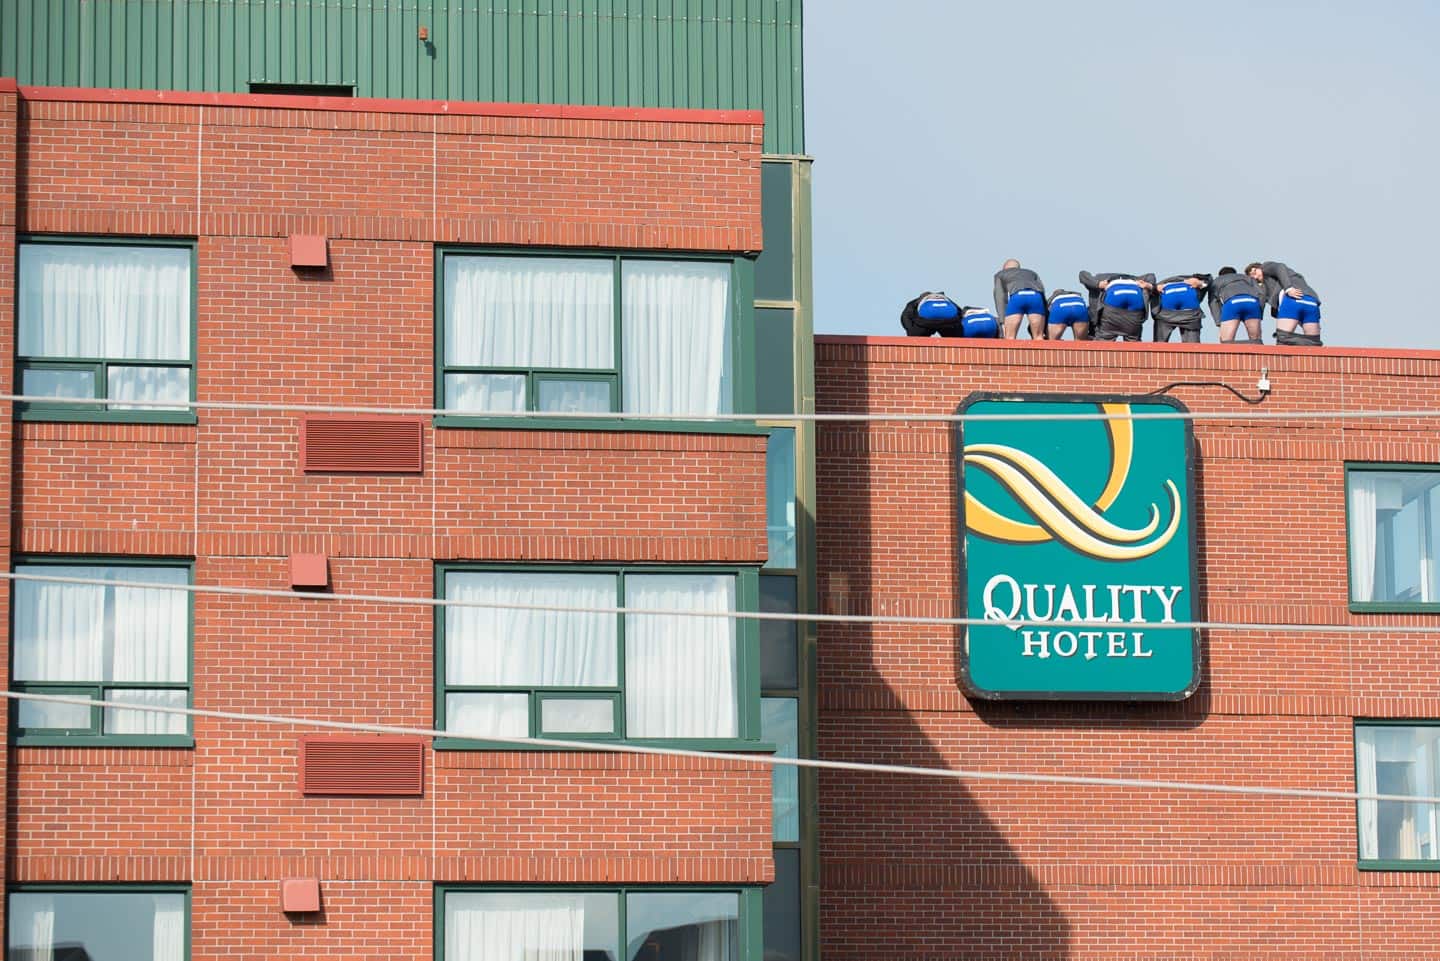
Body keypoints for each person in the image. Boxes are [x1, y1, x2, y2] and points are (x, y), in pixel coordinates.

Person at [1249, 261, 1321, 338]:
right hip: (1311, 301)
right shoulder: (1292, 277)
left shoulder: (1265, 266)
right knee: (1313, 342)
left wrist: (1288, 288)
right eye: (1254, 278)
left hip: (1292, 299)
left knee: (1283, 339)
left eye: (1254, 273)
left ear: (1259, 268)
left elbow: (1279, 267)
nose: (1256, 277)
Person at [1078, 271, 1155, 342]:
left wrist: (1098, 284)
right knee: (1133, 341)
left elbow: (1082, 274)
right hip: (1135, 300)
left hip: (1113, 301)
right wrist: (1149, 285)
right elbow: (1151, 276)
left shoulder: (1100, 278)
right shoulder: (1136, 279)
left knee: (1104, 340)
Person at [1207, 267, 1265, 343]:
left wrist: (1219, 322)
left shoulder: (1217, 280)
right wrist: (1259, 312)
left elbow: (1213, 302)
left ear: (1220, 275)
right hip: (1252, 302)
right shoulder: (1247, 278)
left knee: (1226, 341)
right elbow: (1261, 294)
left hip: (1233, 303)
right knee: (1256, 340)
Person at [993, 259, 1047, 339]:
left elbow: (1000, 297)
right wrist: (1045, 313)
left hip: (1018, 296)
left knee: (1010, 337)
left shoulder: (1000, 274)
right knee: (1038, 337)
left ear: (1004, 268)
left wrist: (1002, 321)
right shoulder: (1032, 273)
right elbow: (1042, 290)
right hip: (1035, 296)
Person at [1150, 273, 1210, 343]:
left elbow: (1208, 281)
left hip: (1180, 314)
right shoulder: (1194, 281)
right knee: (1192, 347)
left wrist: (1200, 283)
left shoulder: (1196, 281)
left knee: (1159, 345)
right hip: (1184, 314)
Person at [900, 291, 965, 337]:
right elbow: (960, 312)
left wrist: (913, 328)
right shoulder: (946, 299)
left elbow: (906, 316)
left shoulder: (917, 300)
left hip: (928, 314)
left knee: (915, 335)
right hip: (947, 314)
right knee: (954, 337)